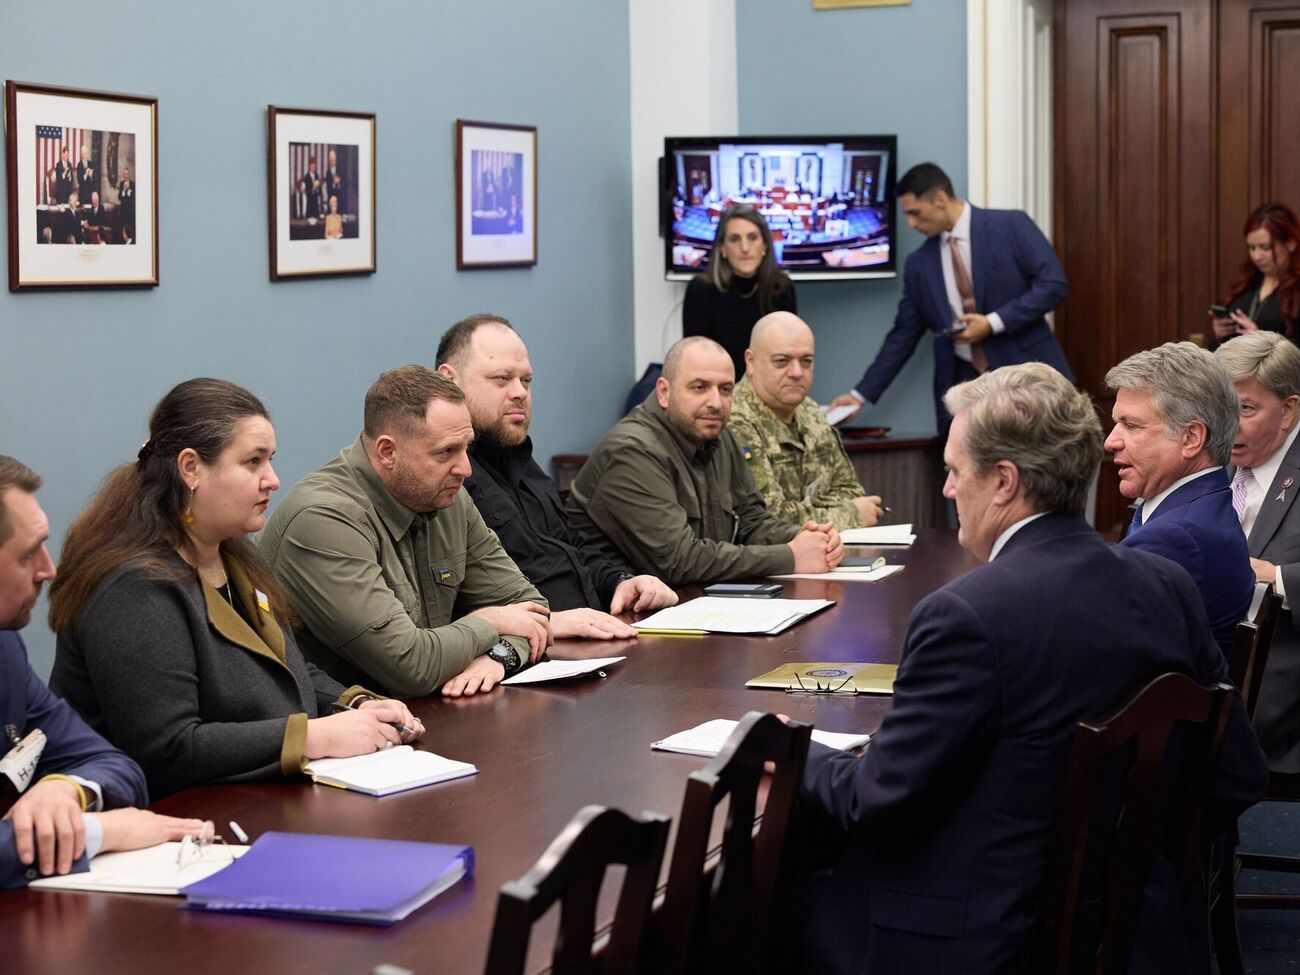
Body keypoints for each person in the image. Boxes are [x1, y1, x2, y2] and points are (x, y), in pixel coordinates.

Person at [785, 363, 1267, 974]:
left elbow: (878, 800)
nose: (947, 491)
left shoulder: (964, 616)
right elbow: (1238, 774)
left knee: (763, 902)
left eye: (956, 472)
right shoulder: (1165, 585)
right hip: (1137, 933)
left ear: (1005, 481)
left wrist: (789, 742)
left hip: (980, 940)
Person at [47, 379, 424, 800]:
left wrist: (354, 706)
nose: (273, 480)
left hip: (258, 799)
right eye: (253, 463)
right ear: (191, 468)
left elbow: (290, 671)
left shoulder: (234, 555)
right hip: (166, 823)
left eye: (270, 460)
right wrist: (314, 737)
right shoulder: (133, 586)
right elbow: (167, 749)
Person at [259, 366, 551, 699]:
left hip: (427, 716)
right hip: (343, 729)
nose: (466, 469)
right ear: (387, 452)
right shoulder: (323, 520)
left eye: (466, 448)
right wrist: (491, 621)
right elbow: (410, 667)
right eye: (446, 452)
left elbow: (530, 610)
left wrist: (499, 656)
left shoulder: (447, 495)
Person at [0, 455, 204, 888]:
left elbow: (109, 762)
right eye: (26, 553)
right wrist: (100, 833)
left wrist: (67, 790)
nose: (47, 569)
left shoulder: (5, 650)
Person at [436, 314, 677, 637]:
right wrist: (548, 624)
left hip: (591, 636)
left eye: (526, 381)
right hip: (524, 654)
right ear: (450, 382)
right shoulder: (447, 478)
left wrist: (621, 581)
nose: (519, 392)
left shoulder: (521, 460)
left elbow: (571, 547)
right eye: (501, 379)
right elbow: (451, 604)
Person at [566, 336, 844, 587]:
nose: (716, 402)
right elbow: (679, 560)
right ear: (664, 392)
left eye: (725, 389)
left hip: (694, 603)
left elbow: (751, 521)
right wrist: (791, 556)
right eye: (699, 387)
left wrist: (809, 539)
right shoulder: (631, 451)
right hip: (620, 617)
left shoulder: (717, 434)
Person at [830, 162, 1072, 435]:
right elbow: (903, 335)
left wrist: (992, 323)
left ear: (941, 199)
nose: (911, 224)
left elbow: (1053, 285)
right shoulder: (919, 264)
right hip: (962, 393)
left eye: (915, 213)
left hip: (1028, 380)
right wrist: (859, 396)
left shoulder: (1010, 225)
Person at [1105, 342, 1254, 655]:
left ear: (1191, 438)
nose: (1110, 441)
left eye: (1131, 425)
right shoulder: (1194, 507)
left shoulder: (1176, 538)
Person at [1215, 331, 1300, 772]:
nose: (1227, 424)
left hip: (1279, 701)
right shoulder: (1213, 458)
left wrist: (1276, 577)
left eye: (1244, 409)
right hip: (1213, 676)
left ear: (1288, 410)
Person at [728, 311, 883, 530]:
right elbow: (767, 520)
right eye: (782, 361)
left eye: (806, 361)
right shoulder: (733, 421)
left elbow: (850, 490)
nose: (797, 372)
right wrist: (850, 515)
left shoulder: (811, 411)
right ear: (751, 362)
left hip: (830, 553)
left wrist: (804, 511)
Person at [682, 205, 797, 380]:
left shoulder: (782, 289)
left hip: (769, 390)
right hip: (718, 393)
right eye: (735, 239)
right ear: (723, 248)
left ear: (765, 244)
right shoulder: (700, 290)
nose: (745, 248)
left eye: (752, 238)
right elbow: (696, 363)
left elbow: (788, 359)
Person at [1210, 202, 1300, 345]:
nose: (1257, 256)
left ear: (1290, 243)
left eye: (1265, 248)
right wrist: (1218, 335)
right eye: (1252, 248)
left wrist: (1263, 342)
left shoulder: (1296, 290)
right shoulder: (1248, 284)